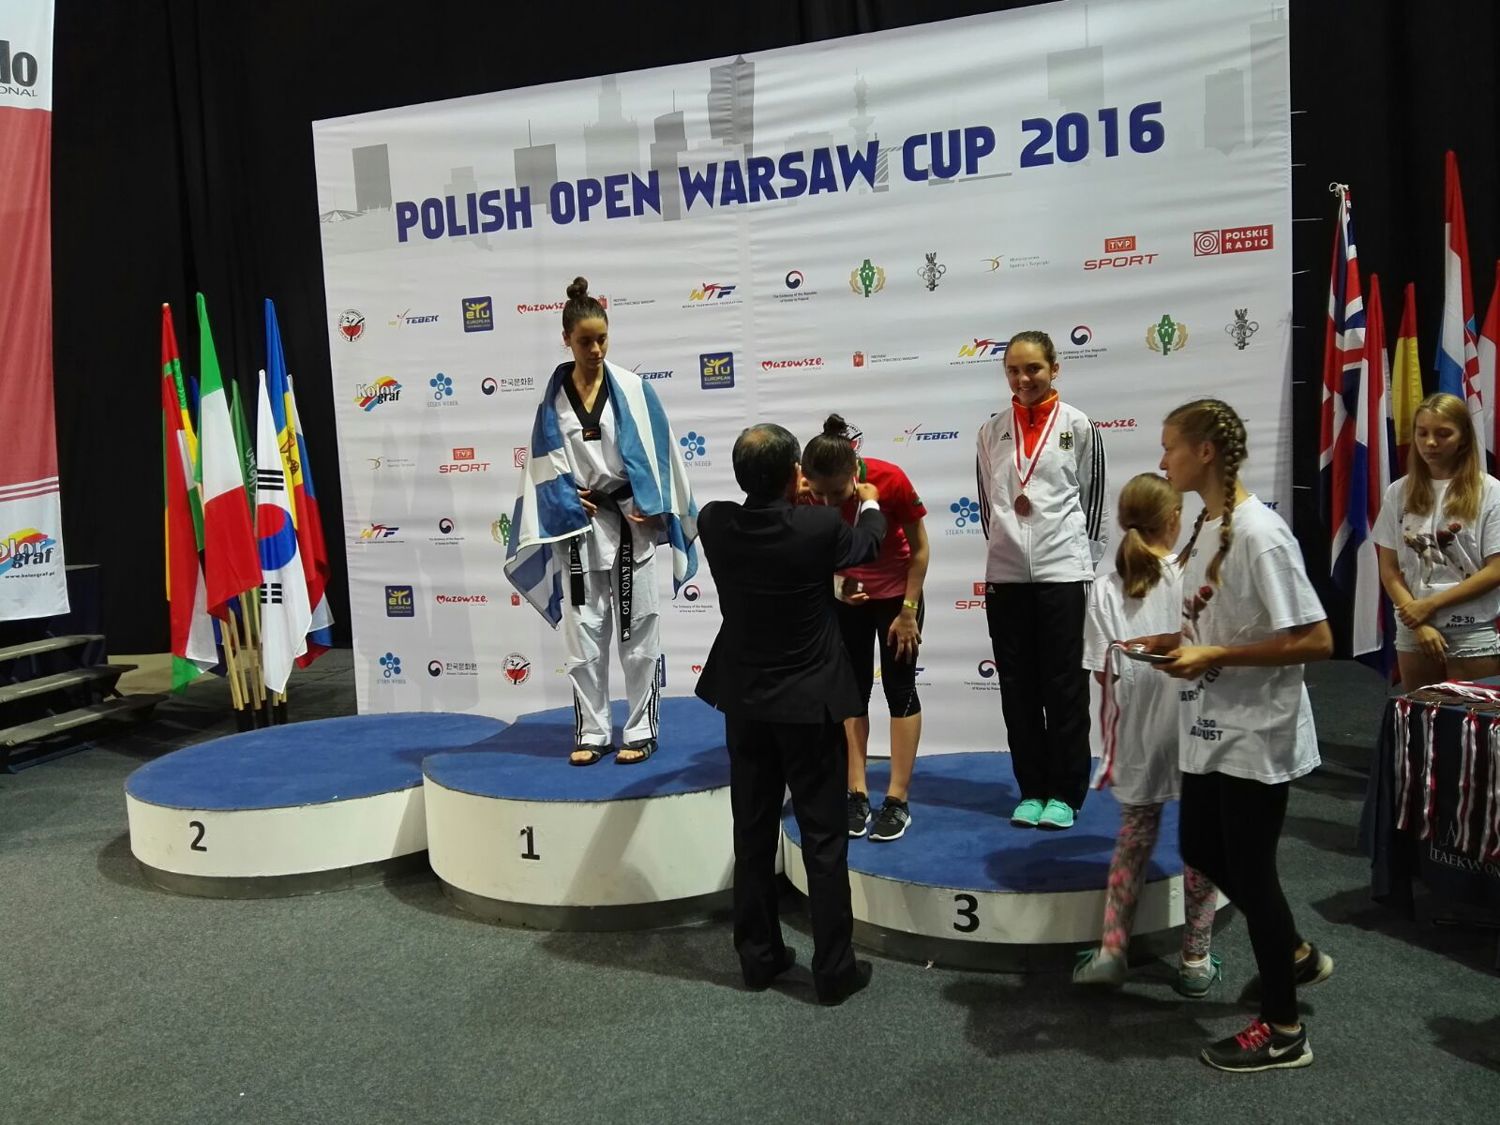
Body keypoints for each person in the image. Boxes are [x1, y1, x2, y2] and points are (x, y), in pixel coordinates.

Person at [1154, 398, 1333, 1073]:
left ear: (1204, 452)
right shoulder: (1206, 524)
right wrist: (1172, 643)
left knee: (1253, 875)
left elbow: (1316, 639)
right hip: (1211, 723)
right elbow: (1217, 621)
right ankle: (1293, 952)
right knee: (1200, 847)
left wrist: (1214, 655)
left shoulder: (1261, 532)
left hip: (1257, 731)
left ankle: (1285, 1031)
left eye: (1170, 446)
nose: (1162, 460)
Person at [696, 423, 887, 1005]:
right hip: (808, 706)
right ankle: (833, 971)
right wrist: (869, 499)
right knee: (824, 838)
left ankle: (758, 959)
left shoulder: (715, 522)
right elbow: (868, 543)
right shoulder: (820, 526)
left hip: (746, 702)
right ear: (795, 475)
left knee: (752, 833)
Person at [504, 276, 698, 766]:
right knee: (583, 635)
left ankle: (641, 729)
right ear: (566, 340)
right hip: (579, 526)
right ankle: (592, 731)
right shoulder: (553, 400)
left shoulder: (633, 389)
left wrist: (653, 500)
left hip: (632, 523)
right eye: (585, 341)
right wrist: (565, 497)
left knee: (639, 631)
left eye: (602, 339)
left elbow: (661, 453)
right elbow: (543, 467)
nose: (594, 350)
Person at [1071, 473, 1220, 996]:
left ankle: (1113, 950)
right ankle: (1195, 958)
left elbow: (1102, 676)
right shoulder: (1194, 578)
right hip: (1199, 725)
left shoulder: (1105, 587)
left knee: (1134, 838)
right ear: (1174, 519)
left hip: (1138, 731)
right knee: (1203, 841)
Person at [975, 329, 1106, 830]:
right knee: (1018, 688)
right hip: (1007, 577)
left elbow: (1094, 503)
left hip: (1063, 574)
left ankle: (1066, 793)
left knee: (1065, 685)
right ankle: (1031, 789)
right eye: (1013, 370)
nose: (1023, 378)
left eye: (1033, 368)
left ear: (1054, 368)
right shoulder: (991, 431)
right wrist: (1006, 552)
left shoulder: (1079, 425)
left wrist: (1077, 562)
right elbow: (988, 507)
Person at [800, 414, 929, 843]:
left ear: (854, 473)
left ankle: (897, 799)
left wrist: (908, 610)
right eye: (818, 493)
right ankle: (856, 792)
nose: (827, 502)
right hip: (846, 599)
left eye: (837, 494)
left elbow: (920, 549)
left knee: (900, 689)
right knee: (851, 693)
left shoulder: (889, 479)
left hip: (897, 598)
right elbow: (811, 553)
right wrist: (838, 584)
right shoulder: (803, 491)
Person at [1373, 391, 1500, 689]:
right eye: (1423, 433)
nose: (1430, 442)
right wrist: (1416, 617)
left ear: (1463, 438)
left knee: (1472, 715)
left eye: (1443, 434)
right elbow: (1389, 568)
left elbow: (1495, 570)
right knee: (1420, 713)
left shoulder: (1490, 492)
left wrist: (1428, 606)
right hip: (1414, 625)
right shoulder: (1398, 492)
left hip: (1472, 627)